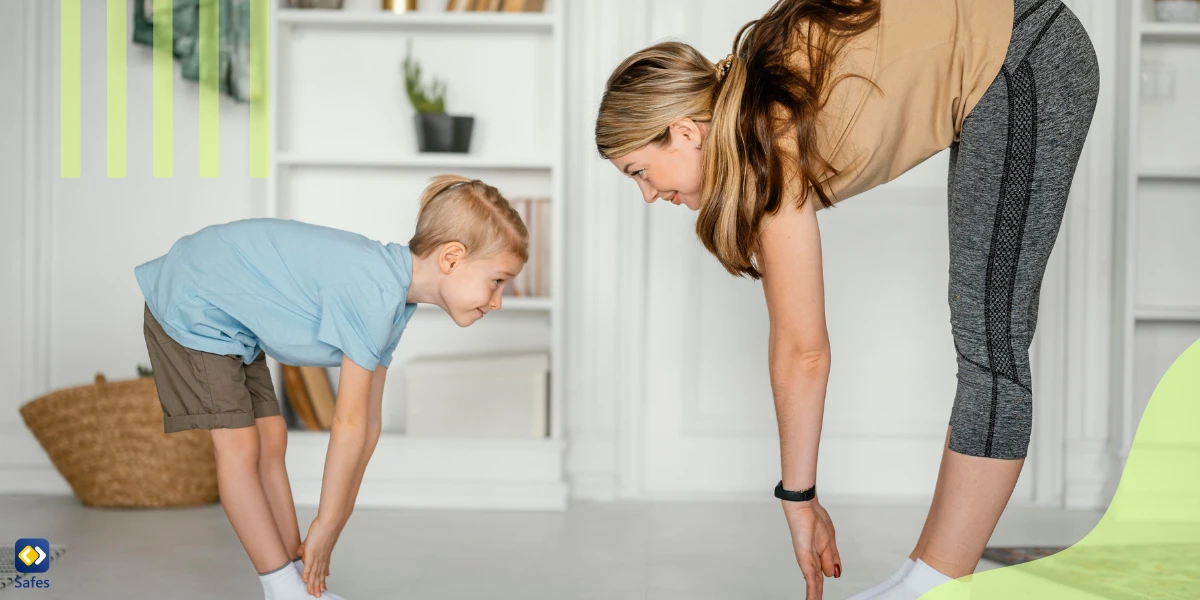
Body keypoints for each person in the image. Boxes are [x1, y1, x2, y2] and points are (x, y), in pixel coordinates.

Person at [594, 0, 1098, 598]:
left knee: (991, 344)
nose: (648, 194)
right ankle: (925, 573)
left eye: (639, 171)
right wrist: (800, 497)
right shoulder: (759, 109)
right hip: (998, 69)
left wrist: (799, 501)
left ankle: (933, 583)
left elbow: (804, 352)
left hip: (1027, 53)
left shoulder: (767, 139)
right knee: (982, 340)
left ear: (683, 132)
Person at [135, 176, 528, 599]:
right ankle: (281, 588)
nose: (498, 300)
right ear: (451, 258)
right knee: (241, 447)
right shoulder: (371, 290)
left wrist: (332, 523)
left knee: (272, 437)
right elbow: (350, 421)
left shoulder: (396, 301)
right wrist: (325, 522)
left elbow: (369, 424)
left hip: (231, 315)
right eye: (497, 281)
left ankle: (299, 580)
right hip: (194, 299)